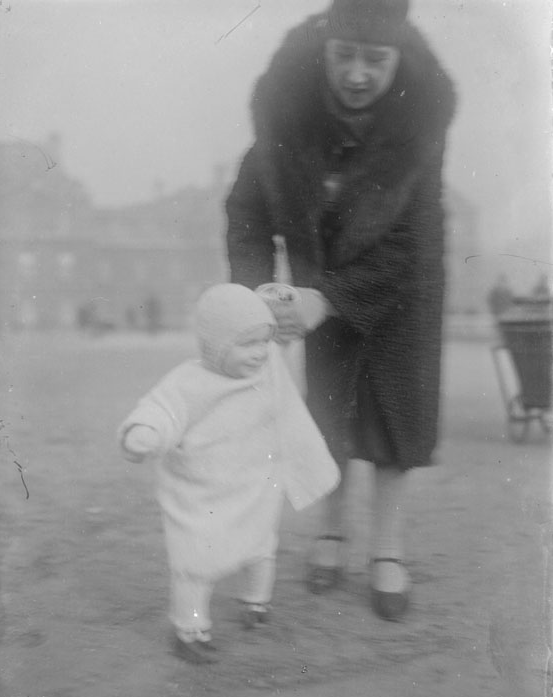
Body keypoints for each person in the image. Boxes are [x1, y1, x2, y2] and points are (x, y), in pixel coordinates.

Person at [226, 0, 456, 620]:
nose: (358, 73)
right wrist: (255, 297)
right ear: (324, 51)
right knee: (330, 412)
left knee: (392, 422)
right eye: (344, 57)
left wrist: (327, 300)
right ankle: (331, 531)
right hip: (317, 287)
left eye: (375, 60)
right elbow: (247, 215)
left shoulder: (418, 130)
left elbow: (414, 247)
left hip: (400, 295)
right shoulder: (285, 117)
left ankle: (389, 548)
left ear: (398, 58)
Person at [118, 284, 340, 663]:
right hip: (203, 494)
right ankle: (190, 629)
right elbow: (162, 408)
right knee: (195, 563)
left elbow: (284, 393)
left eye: (264, 341)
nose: (259, 353)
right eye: (247, 344)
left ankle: (256, 602)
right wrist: (145, 432)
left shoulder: (266, 367)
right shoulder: (189, 382)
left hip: (252, 486)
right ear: (215, 346)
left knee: (260, 547)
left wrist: (280, 309)